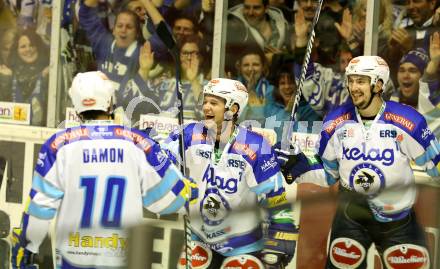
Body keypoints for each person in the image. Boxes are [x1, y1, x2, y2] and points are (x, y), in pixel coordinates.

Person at [10, 71, 198, 268]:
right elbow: (163, 201)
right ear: (110, 102)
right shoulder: (137, 142)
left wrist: (28, 247)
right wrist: (187, 191)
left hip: (74, 256)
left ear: (76, 104)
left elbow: (40, 208)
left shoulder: (58, 145)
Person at [278, 56, 440, 268]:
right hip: (351, 216)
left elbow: (436, 165)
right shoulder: (335, 122)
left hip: (398, 219)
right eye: (351, 80)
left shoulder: (407, 120)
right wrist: (298, 167)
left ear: (379, 84)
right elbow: (328, 174)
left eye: (361, 81)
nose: (354, 87)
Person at [164, 78, 298, 268]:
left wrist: (283, 230)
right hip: (199, 238)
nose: (206, 108)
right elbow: (159, 159)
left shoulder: (255, 145)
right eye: (205, 101)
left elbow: (274, 194)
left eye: (214, 103)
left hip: (244, 244)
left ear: (233, 109)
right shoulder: (189, 134)